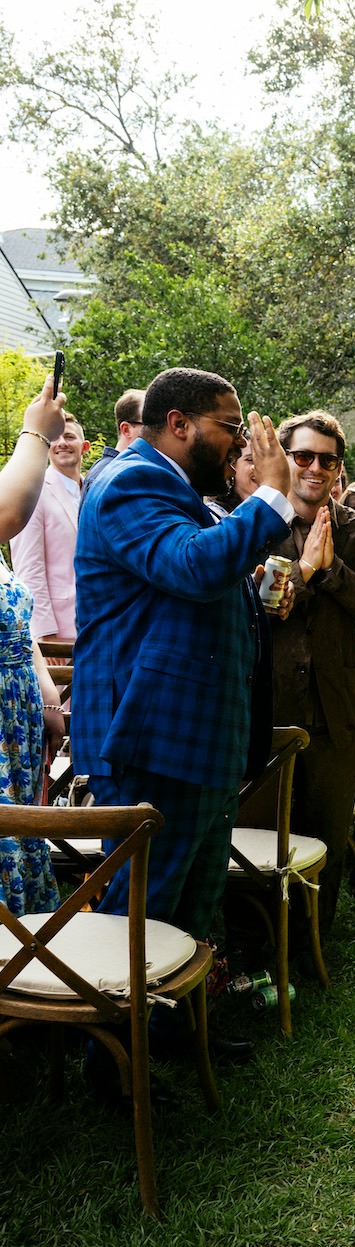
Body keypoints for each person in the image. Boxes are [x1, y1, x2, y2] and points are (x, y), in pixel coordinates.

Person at [71, 368, 293, 943]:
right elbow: (194, 568)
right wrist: (271, 493)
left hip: (197, 742)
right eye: (230, 427)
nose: (242, 443)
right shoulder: (130, 481)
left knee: (192, 913)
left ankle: (182, 1032)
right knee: (144, 915)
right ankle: (117, 1034)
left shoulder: (186, 495)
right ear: (178, 424)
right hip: (151, 740)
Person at [269, 410, 355, 932]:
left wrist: (332, 570)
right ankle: (263, 937)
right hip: (270, 703)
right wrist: (304, 571)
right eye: (303, 456)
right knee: (265, 830)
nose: (315, 467)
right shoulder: (259, 523)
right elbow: (263, 606)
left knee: (325, 831)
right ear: (286, 460)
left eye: (327, 459)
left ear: (339, 469)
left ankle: (314, 938)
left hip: (337, 709)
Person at [0, 372, 67, 913]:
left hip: (17, 722)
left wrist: (45, 694)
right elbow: (9, 513)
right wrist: (37, 433)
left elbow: (14, 625)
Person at [10, 412, 88, 643]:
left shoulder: (93, 490)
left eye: (70, 437)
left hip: (96, 623)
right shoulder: (34, 491)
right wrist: (44, 630)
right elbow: (28, 566)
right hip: (57, 629)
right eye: (55, 437)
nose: (62, 443)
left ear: (85, 447)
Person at [80, 388, 143, 507]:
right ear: (126, 429)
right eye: (148, 425)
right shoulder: (113, 475)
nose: (156, 431)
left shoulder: (110, 468)